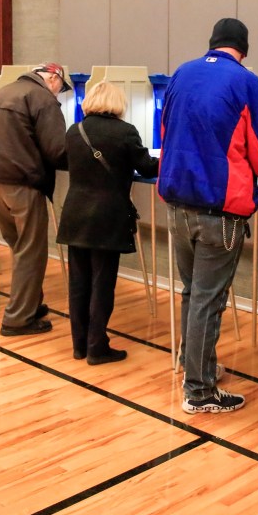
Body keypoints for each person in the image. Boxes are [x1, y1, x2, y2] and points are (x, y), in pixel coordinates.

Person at [159, 18, 258, 414]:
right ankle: (198, 391)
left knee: (191, 293)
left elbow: (166, 131)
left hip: (178, 205)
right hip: (221, 211)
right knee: (207, 300)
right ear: (244, 49)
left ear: (212, 43)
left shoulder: (182, 73)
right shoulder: (247, 83)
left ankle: (197, 365)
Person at [57, 81, 159, 364]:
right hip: (106, 217)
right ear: (117, 104)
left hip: (75, 215)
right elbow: (148, 167)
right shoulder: (125, 132)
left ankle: (79, 345)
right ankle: (97, 347)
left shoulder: (74, 131)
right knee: (102, 284)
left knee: (79, 284)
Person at [0, 63, 69, 336]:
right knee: (31, 251)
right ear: (53, 78)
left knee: (19, 247)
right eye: (60, 88)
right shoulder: (42, 99)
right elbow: (57, 150)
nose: (59, 94)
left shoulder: (2, 93)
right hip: (23, 183)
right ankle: (18, 320)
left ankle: (30, 303)